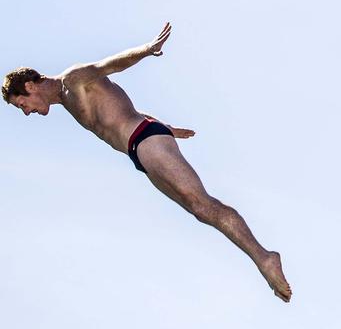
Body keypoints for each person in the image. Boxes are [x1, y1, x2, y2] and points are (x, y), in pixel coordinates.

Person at [2, 23, 292, 302]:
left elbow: (108, 66)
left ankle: (265, 258)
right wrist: (165, 126)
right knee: (199, 211)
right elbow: (122, 107)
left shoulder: (73, 80)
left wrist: (146, 49)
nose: (26, 112)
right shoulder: (66, 102)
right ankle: (262, 257)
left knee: (203, 203)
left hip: (145, 140)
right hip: (141, 147)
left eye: (21, 104)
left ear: (29, 85)